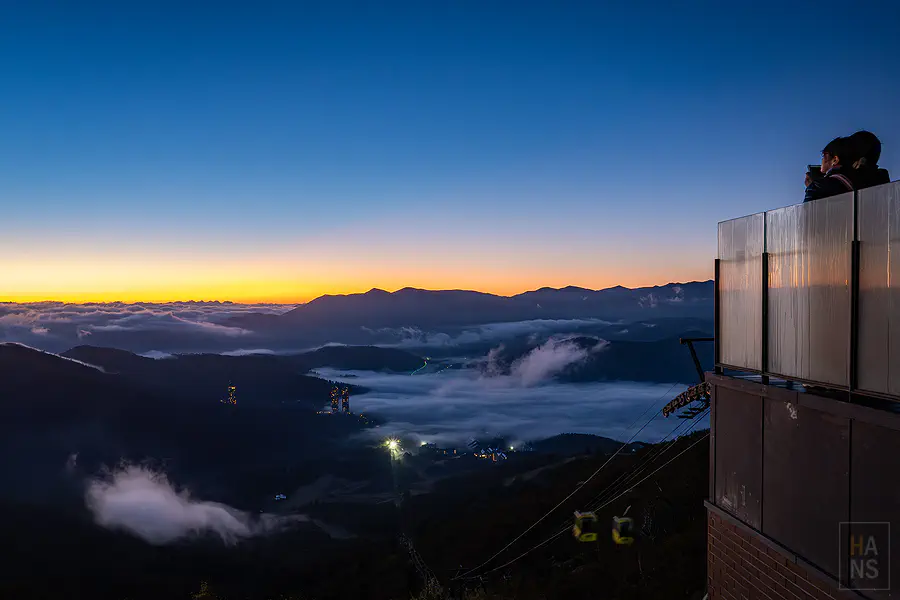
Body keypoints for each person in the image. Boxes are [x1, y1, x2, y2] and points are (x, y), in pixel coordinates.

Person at [804, 136, 861, 202]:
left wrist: (810, 187)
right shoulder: (863, 181)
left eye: (824, 155)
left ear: (835, 160)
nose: (822, 159)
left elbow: (806, 211)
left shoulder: (817, 187)